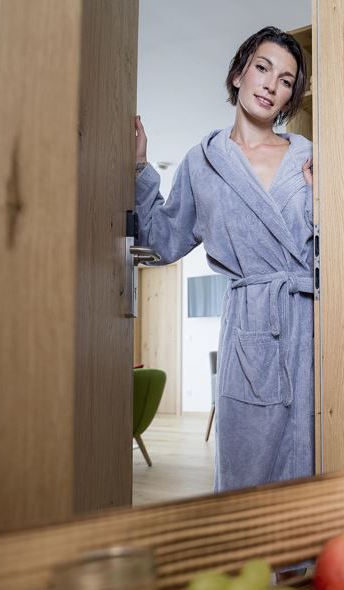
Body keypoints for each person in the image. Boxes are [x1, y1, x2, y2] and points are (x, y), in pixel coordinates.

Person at [133, 27, 314, 492]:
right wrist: (139, 169)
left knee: (313, 469)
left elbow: (342, 245)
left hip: (313, 328)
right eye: (262, 68)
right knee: (246, 473)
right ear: (238, 74)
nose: (271, 85)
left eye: (286, 80)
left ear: (291, 96)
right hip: (250, 332)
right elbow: (161, 240)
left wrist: (326, 208)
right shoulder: (203, 162)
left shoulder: (310, 158)